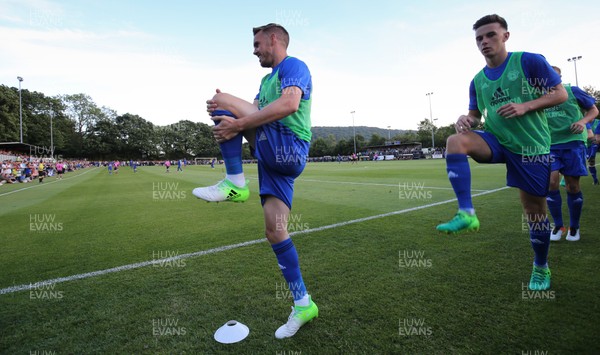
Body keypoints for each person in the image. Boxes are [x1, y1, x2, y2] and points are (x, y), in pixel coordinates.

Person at [192, 23, 317, 338]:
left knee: (223, 101)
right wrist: (234, 121)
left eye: (258, 44)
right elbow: (257, 121)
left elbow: (288, 104)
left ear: (274, 39)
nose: (255, 50)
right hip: (272, 157)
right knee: (275, 232)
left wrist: (235, 118)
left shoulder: (294, 66)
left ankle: (235, 180)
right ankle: (303, 304)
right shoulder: (265, 82)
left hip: (288, 146)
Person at [435, 14, 568, 291]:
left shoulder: (528, 61)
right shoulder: (478, 80)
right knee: (455, 142)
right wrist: (466, 120)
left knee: (534, 212)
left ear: (505, 36)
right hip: (496, 140)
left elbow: (559, 94)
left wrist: (526, 105)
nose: (484, 42)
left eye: (490, 35)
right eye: (479, 38)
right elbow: (475, 115)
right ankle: (467, 213)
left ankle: (541, 267)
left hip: (531, 147)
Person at [545, 66, 598, 242]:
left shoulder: (572, 91)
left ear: (559, 78)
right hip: (550, 146)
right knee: (552, 183)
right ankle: (558, 226)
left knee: (572, 187)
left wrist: (583, 122)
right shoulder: (538, 96)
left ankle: (574, 227)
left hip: (573, 144)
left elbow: (594, 111)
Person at [587, 118, 600, 184]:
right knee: (591, 163)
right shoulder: (584, 122)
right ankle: (595, 179)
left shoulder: (598, 122)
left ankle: (592, 155)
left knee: (595, 141)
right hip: (588, 145)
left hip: (596, 143)